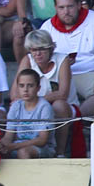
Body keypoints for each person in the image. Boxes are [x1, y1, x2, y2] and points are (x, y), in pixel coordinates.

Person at [39, 0, 94, 119]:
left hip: (89, 72)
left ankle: (74, 118)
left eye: (70, 6)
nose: (66, 12)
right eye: (61, 7)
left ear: (79, 5)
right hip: (59, 76)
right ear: (55, 8)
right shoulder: (47, 27)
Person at [14, 27, 76, 155]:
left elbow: (63, 94)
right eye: (34, 50)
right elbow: (15, 93)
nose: (37, 53)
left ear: (50, 48)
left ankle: (60, 153)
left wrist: (37, 101)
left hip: (66, 106)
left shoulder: (62, 60)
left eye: (42, 49)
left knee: (59, 105)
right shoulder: (27, 60)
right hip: (35, 105)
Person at [0, 68, 55, 159]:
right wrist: (2, 145)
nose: (25, 90)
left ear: (38, 88)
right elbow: (8, 136)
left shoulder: (44, 107)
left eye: (30, 86)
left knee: (23, 152)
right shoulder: (16, 106)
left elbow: (42, 140)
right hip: (18, 146)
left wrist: (14, 146)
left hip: (43, 149)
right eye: (21, 86)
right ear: (17, 88)